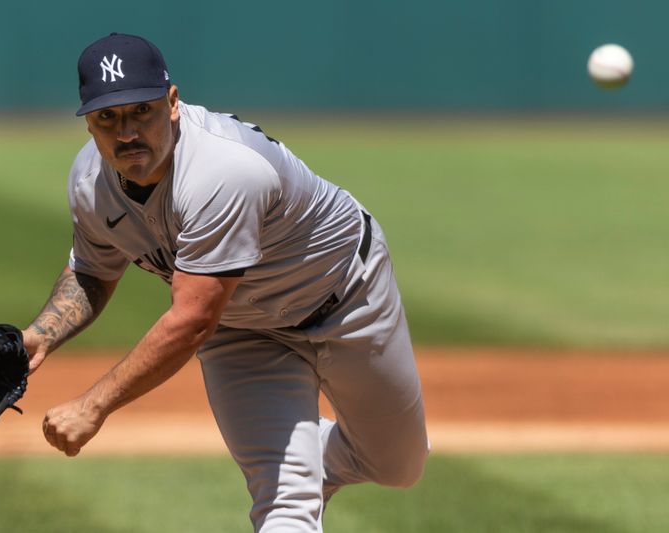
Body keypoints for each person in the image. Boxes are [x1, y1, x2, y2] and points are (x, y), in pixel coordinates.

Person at [23, 32, 429, 532]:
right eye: (107, 117)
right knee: (284, 506)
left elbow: (191, 320)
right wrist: (36, 337)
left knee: (397, 466)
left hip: (347, 298)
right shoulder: (91, 183)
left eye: (141, 111)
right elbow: (92, 270)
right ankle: (287, 471)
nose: (126, 132)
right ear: (88, 121)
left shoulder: (222, 170)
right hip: (242, 332)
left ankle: (306, 460)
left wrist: (93, 405)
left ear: (172, 103)